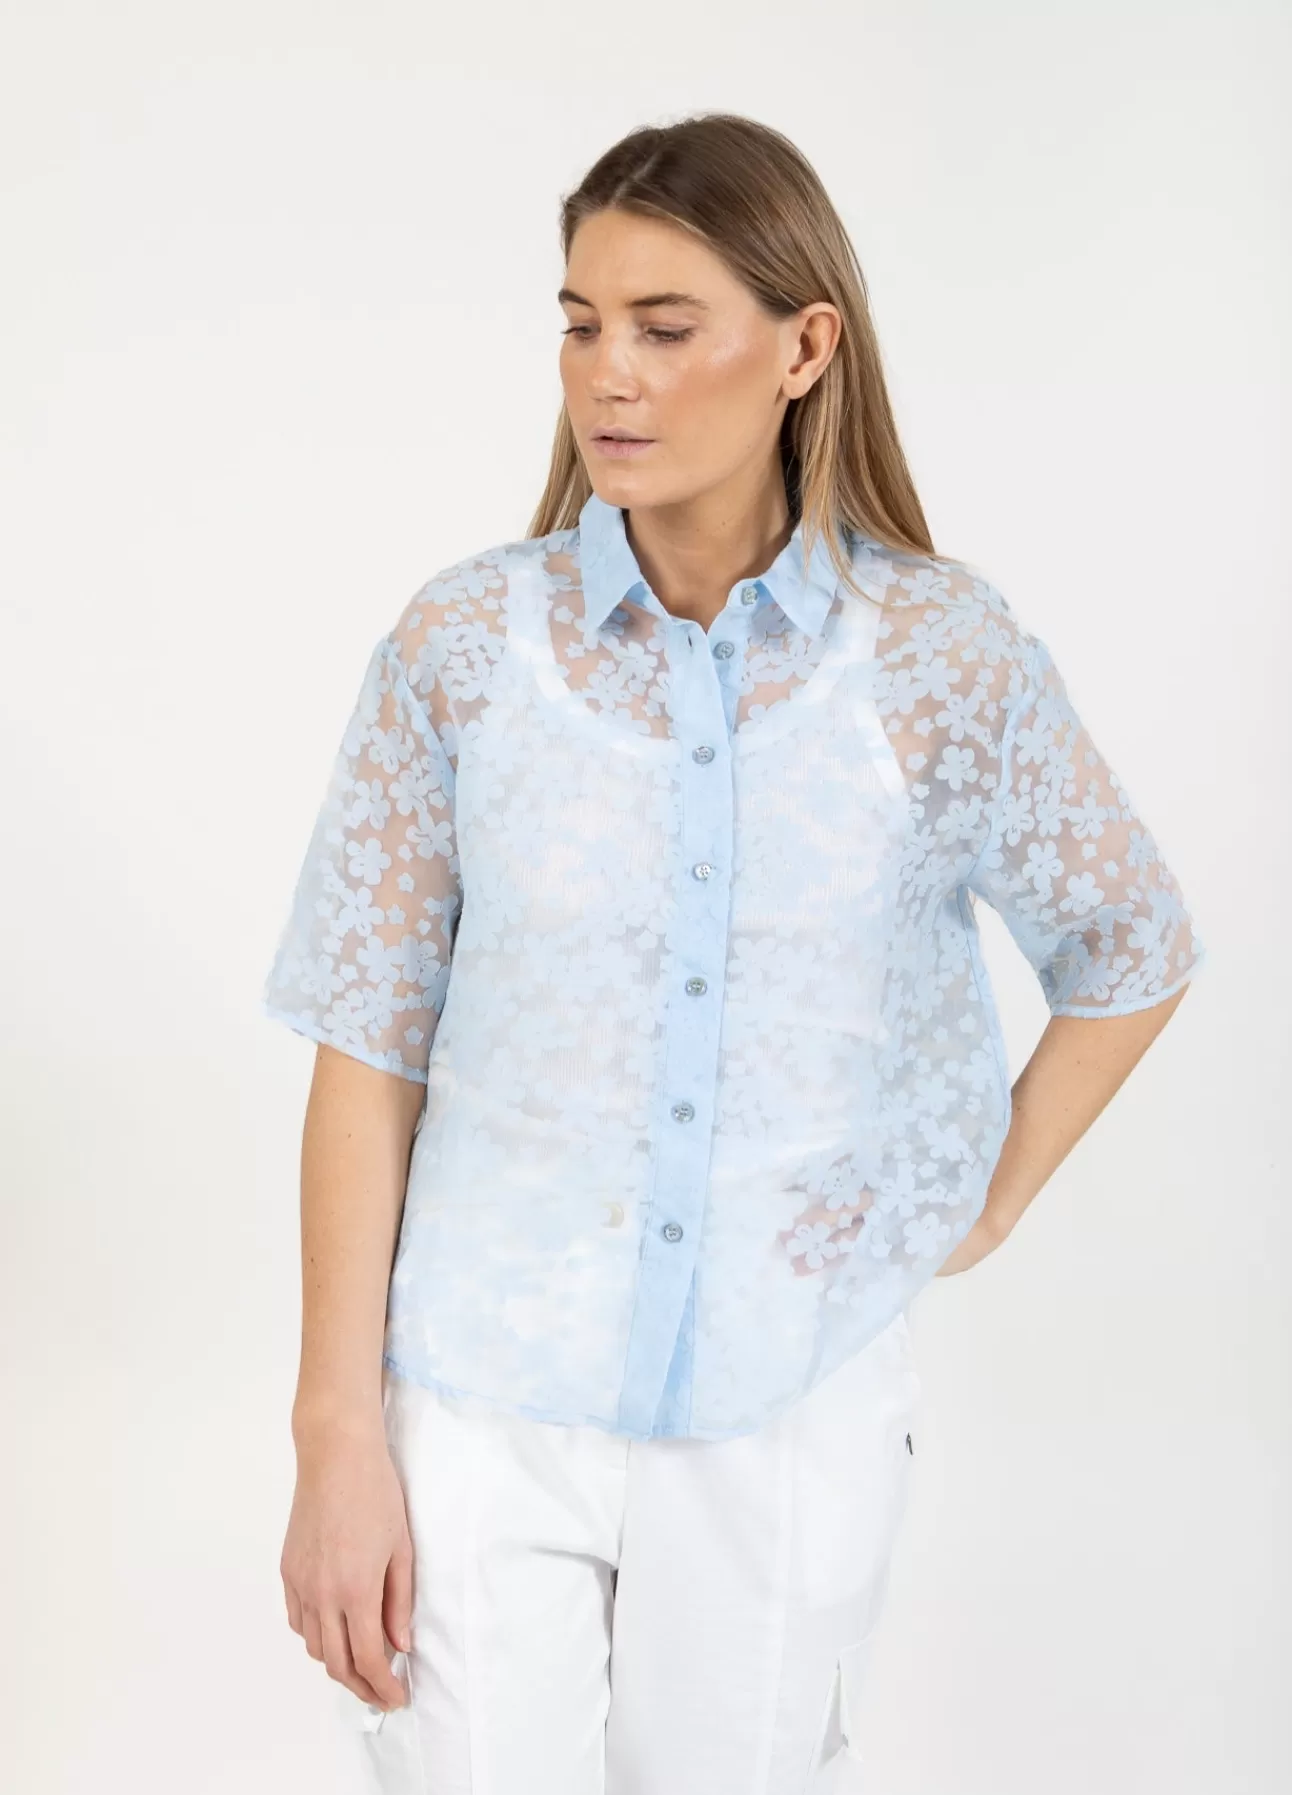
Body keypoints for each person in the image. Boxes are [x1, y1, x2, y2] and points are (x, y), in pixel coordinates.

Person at [262, 112, 1207, 1794]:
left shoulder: (937, 658)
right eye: (580, 324)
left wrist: (976, 1197)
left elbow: (1132, 937)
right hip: (481, 1395)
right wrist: (335, 1429)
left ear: (803, 348)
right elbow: (368, 1043)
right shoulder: (465, 651)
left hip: (790, 1400)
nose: (608, 373)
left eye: (664, 325)